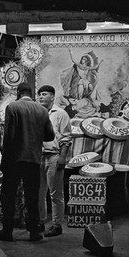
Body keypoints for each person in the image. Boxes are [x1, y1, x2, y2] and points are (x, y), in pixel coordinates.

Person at [0, 82, 55, 242]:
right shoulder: (42, 110)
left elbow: (9, 136)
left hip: (15, 159)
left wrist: (4, 160)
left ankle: (7, 231)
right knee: (32, 197)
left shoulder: (13, 107)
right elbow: (50, 136)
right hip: (34, 160)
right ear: (31, 93)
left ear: (18, 93)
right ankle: (34, 232)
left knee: (9, 196)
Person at [37, 85, 72, 237]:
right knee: (39, 192)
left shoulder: (61, 114)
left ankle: (57, 225)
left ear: (52, 97)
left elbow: (66, 138)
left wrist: (63, 157)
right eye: (39, 95)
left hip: (54, 156)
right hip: (39, 156)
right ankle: (40, 221)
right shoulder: (37, 113)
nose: (40, 97)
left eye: (44, 94)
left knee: (56, 193)